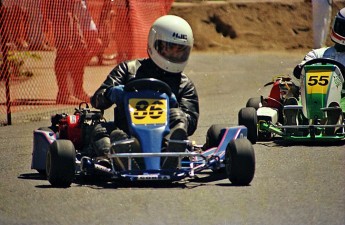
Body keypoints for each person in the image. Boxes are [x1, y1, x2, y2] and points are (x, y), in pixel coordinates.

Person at [90, 15, 199, 169]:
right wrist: (110, 93)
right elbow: (96, 99)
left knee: (179, 117)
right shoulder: (128, 70)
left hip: (162, 141)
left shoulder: (184, 84)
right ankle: (110, 156)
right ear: (154, 44)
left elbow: (191, 122)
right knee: (100, 128)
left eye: (179, 50)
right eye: (169, 48)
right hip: (127, 133)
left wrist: (175, 108)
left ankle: (172, 152)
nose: (174, 55)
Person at [42, 0, 91, 104]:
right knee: (64, 50)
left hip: (70, 10)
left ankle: (78, 91)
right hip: (58, 10)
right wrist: (45, 17)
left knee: (81, 48)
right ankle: (63, 94)